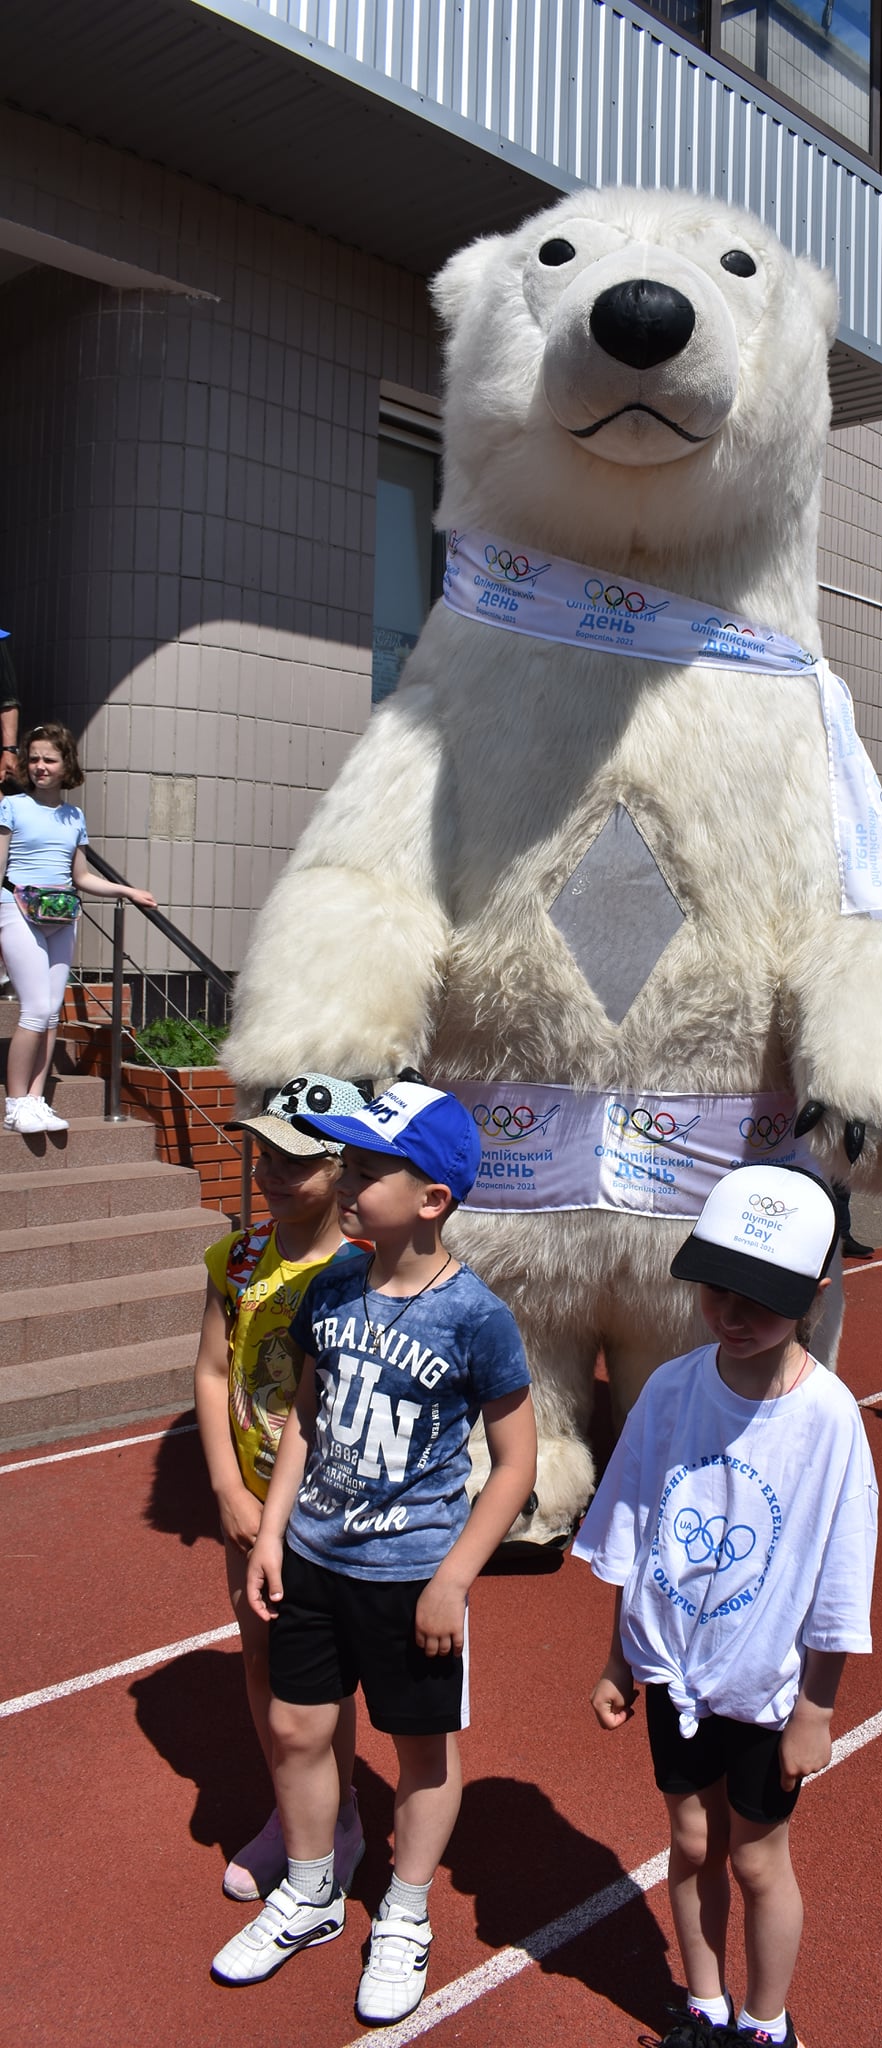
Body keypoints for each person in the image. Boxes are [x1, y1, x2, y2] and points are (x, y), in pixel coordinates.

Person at [211, 1082, 538, 2023]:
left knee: (420, 1754)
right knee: (300, 1730)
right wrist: (271, 1534)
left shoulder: (477, 1318)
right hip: (312, 1558)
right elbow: (305, 1419)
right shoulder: (331, 1286)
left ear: (432, 1198)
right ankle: (311, 1893)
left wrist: (454, 1580)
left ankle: (403, 1911)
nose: (345, 1182)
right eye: (344, 1163)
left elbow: (514, 1465)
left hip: (412, 1581)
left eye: (364, 1168)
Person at [575, 1163, 876, 2048]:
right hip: (675, 1678)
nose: (732, 1315)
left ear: (813, 1300)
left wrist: (816, 1709)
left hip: (764, 1688)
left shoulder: (828, 1419)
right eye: (716, 1291)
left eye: (761, 1300)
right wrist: (617, 1661)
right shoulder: (670, 1391)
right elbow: (637, 1532)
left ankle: (766, 2023)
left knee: (755, 1856)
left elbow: (840, 1575)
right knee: (693, 1840)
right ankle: (703, 2008)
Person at [195, 1074, 374, 1904]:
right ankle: (294, 1813)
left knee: (321, 1678)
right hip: (249, 1507)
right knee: (261, 1656)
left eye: (296, 1161)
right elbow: (208, 1370)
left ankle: (337, 1821)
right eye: (263, 1151)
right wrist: (228, 1490)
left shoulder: (363, 1273)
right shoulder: (234, 1257)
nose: (269, 1171)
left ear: (344, 1168)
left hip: (326, 1515)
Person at [0, 722, 156, 1133]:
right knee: (34, 1009)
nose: (39, 766)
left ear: (66, 763)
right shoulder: (11, 806)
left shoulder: (74, 816)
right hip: (16, 907)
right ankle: (16, 1104)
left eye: (49, 759)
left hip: (60, 915)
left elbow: (82, 876)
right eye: (33, 758)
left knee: (51, 1013)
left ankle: (36, 1099)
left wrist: (127, 891)